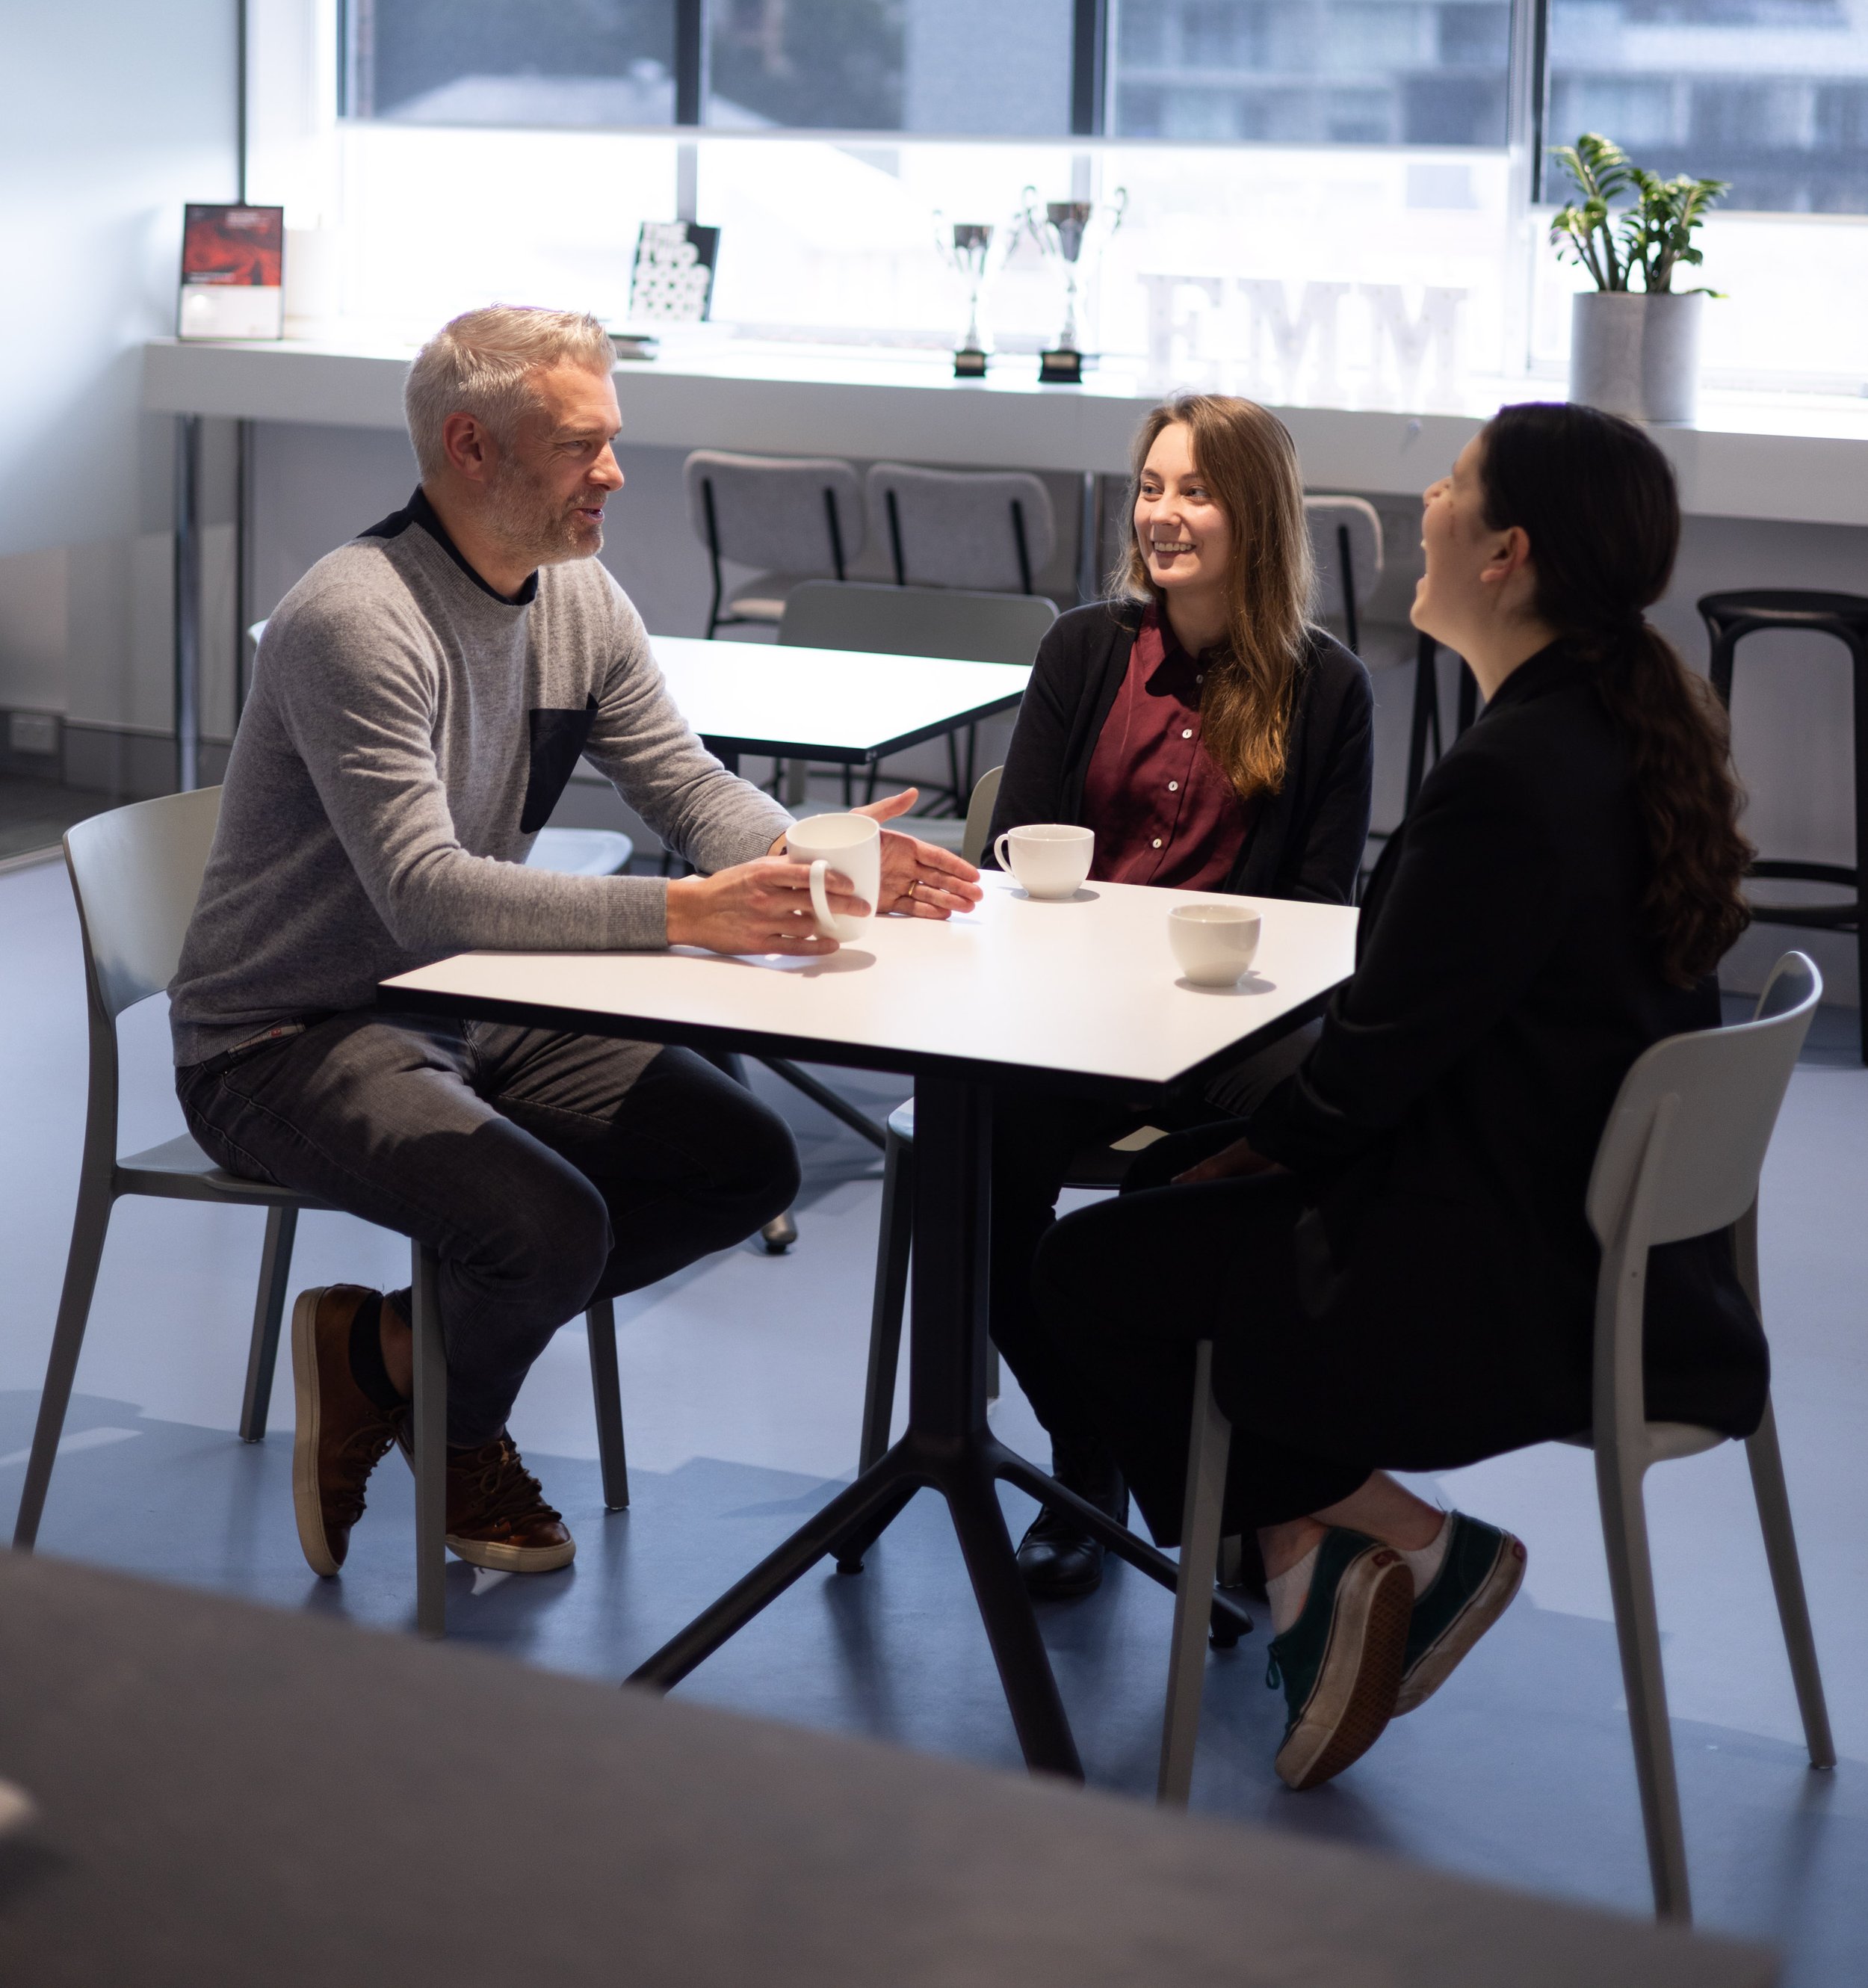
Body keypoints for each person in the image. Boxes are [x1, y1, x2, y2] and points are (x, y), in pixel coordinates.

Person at [171, 305, 978, 1584]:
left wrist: (810, 856)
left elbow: (685, 784)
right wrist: (683, 914)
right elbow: (425, 895)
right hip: (285, 1035)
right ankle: (458, 1428)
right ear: (470, 446)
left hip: (459, 1001)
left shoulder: (579, 596)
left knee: (742, 1164)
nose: (613, 473)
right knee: (547, 1231)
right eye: (579, 446)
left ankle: (384, 1352)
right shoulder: (354, 617)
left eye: (611, 441)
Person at [1034, 402, 1760, 1791]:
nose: (1426, 503)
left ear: (1507, 553)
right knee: (1168, 1193)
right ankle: (1303, 1562)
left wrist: (1248, 1155)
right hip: (1600, 1245)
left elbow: (1369, 1068)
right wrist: (1245, 1149)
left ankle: (1407, 1538)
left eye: (1453, 486)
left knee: (1091, 1270)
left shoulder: (1510, 777)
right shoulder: (1610, 730)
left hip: (1498, 1273)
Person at [984, 393, 1374, 1599]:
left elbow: (1318, 916)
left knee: (1318, 1137)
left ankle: (1264, 1485)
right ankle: (1089, 1455)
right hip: (1069, 1017)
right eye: (1151, 488)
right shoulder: (1083, 649)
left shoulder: (1328, 687)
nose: (1162, 514)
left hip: (1226, 1024)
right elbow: (1012, 853)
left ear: (1256, 515)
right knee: (973, 1168)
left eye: (1195, 492)